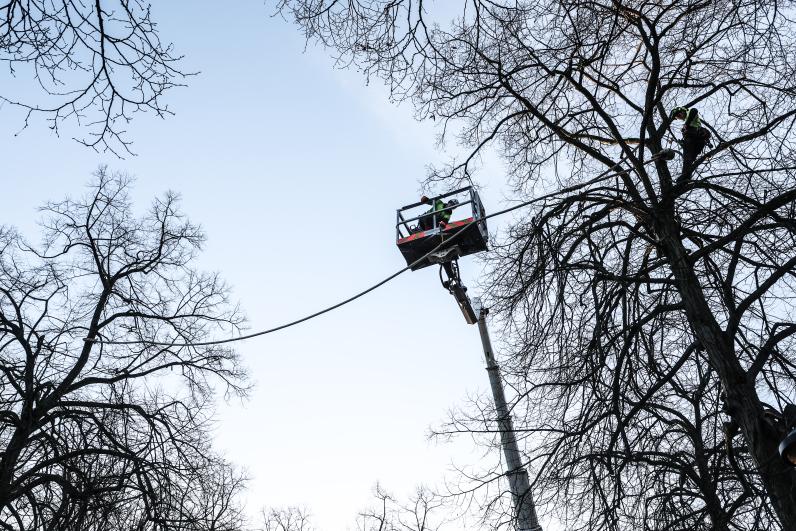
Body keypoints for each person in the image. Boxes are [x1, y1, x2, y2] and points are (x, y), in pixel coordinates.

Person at [671, 106, 711, 181]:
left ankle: (685, 176)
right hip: (696, 141)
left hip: (694, 137)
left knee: (688, 157)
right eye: (678, 117)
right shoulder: (687, 121)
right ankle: (687, 176)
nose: (679, 118)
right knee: (689, 159)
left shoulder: (689, 114)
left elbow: (694, 110)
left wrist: (687, 124)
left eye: (679, 115)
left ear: (682, 111)